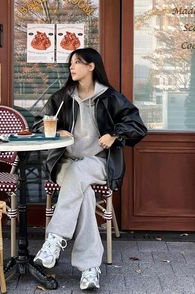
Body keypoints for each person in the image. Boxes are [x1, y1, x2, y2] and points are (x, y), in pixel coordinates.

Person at [32, 47, 147, 290]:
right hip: (65, 163)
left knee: (81, 174)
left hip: (98, 163)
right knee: (83, 192)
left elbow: (137, 126)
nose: (71, 67)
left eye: (77, 62)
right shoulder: (62, 97)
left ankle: (55, 239)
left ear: (91, 66)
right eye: (70, 63)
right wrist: (56, 130)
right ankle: (90, 268)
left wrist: (115, 135)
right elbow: (38, 123)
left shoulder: (110, 97)